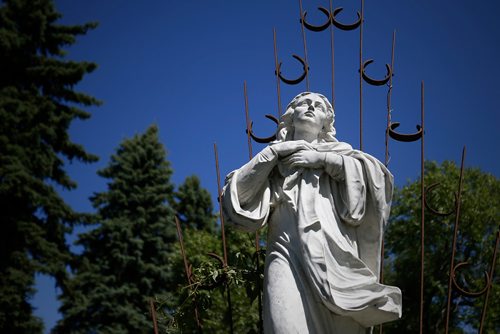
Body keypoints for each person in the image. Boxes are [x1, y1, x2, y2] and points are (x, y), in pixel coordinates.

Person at [222, 92, 402, 333]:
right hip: (285, 251)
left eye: (318, 107)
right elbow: (237, 199)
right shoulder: (275, 158)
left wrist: (321, 159)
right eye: (304, 104)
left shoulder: (342, 154)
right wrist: (272, 154)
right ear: (291, 116)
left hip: (334, 255)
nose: (310, 107)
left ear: (325, 123)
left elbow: (378, 182)